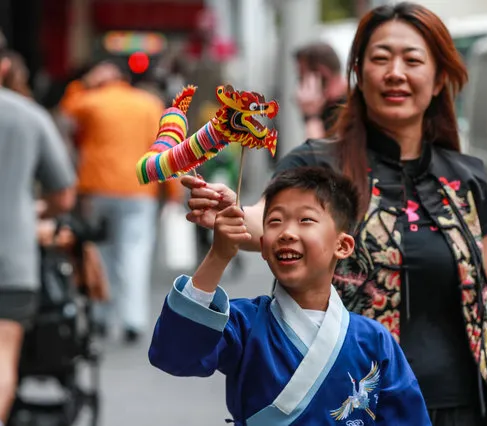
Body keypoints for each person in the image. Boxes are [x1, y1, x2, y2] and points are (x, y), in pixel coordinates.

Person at [182, 3, 487, 425]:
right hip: (354, 406)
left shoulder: (466, 179)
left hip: (461, 409)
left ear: (438, 79)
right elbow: (264, 220)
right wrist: (230, 213)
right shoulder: (317, 164)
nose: (395, 72)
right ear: (359, 74)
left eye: (412, 60)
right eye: (380, 58)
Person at [149, 167, 430, 425]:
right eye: (275, 221)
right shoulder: (244, 325)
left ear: (342, 245)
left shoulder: (373, 340)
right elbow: (175, 356)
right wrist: (218, 255)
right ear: (262, 245)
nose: (286, 232)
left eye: (305, 219)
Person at [58, 60, 183, 343]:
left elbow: (66, 111)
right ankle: (132, 320)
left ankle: (101, 316)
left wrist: (84, 82)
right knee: (134, 253)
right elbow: (165, 145)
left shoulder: (90, 100)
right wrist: (173, 191)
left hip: (97, 188)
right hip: (140, 189)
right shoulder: (149, 103)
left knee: (101, 252)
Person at [0, 48, 76, 426]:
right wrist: (30, 210)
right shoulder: (29, 116)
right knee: (2, 356)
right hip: (12, 258)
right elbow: (63, 193)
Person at [294, 41, 348, 138]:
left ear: (322, 73)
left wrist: (311, 117)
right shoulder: (327, 107)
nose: (301, 86)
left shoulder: (350, 110)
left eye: (302, 77)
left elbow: (320, 151)